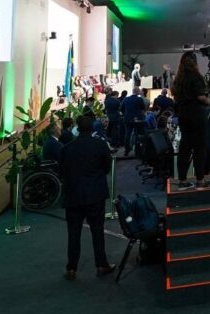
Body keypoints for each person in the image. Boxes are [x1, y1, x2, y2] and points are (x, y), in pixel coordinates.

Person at [59, 115, 115, 280]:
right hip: (95, 195)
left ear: (77, 127)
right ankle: (101, 265)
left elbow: (61, 173)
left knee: (73, 233)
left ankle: (71, 268)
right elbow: (107, 167)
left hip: (73, 196)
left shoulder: (67, 149)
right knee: (97, 231)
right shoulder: (100, 145)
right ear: (92, 128)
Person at [173, 51, 210, 188]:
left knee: (185, 147)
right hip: (197, 115)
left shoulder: (179, 78)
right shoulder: (196, 76)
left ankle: (182, 181)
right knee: (199, 148)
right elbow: (200, 97)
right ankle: (200, 180)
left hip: (183, 115)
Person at [121, 88, 146, 156]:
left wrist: (126, 114)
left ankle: (126, 151)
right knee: (138, 134)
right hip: (137, 119)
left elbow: (121, 108)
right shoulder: (139, 99)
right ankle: (138, 151)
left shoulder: (126, 99)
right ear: (137, 91)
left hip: (127, 119)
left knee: (127, 134)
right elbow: (143, 108)